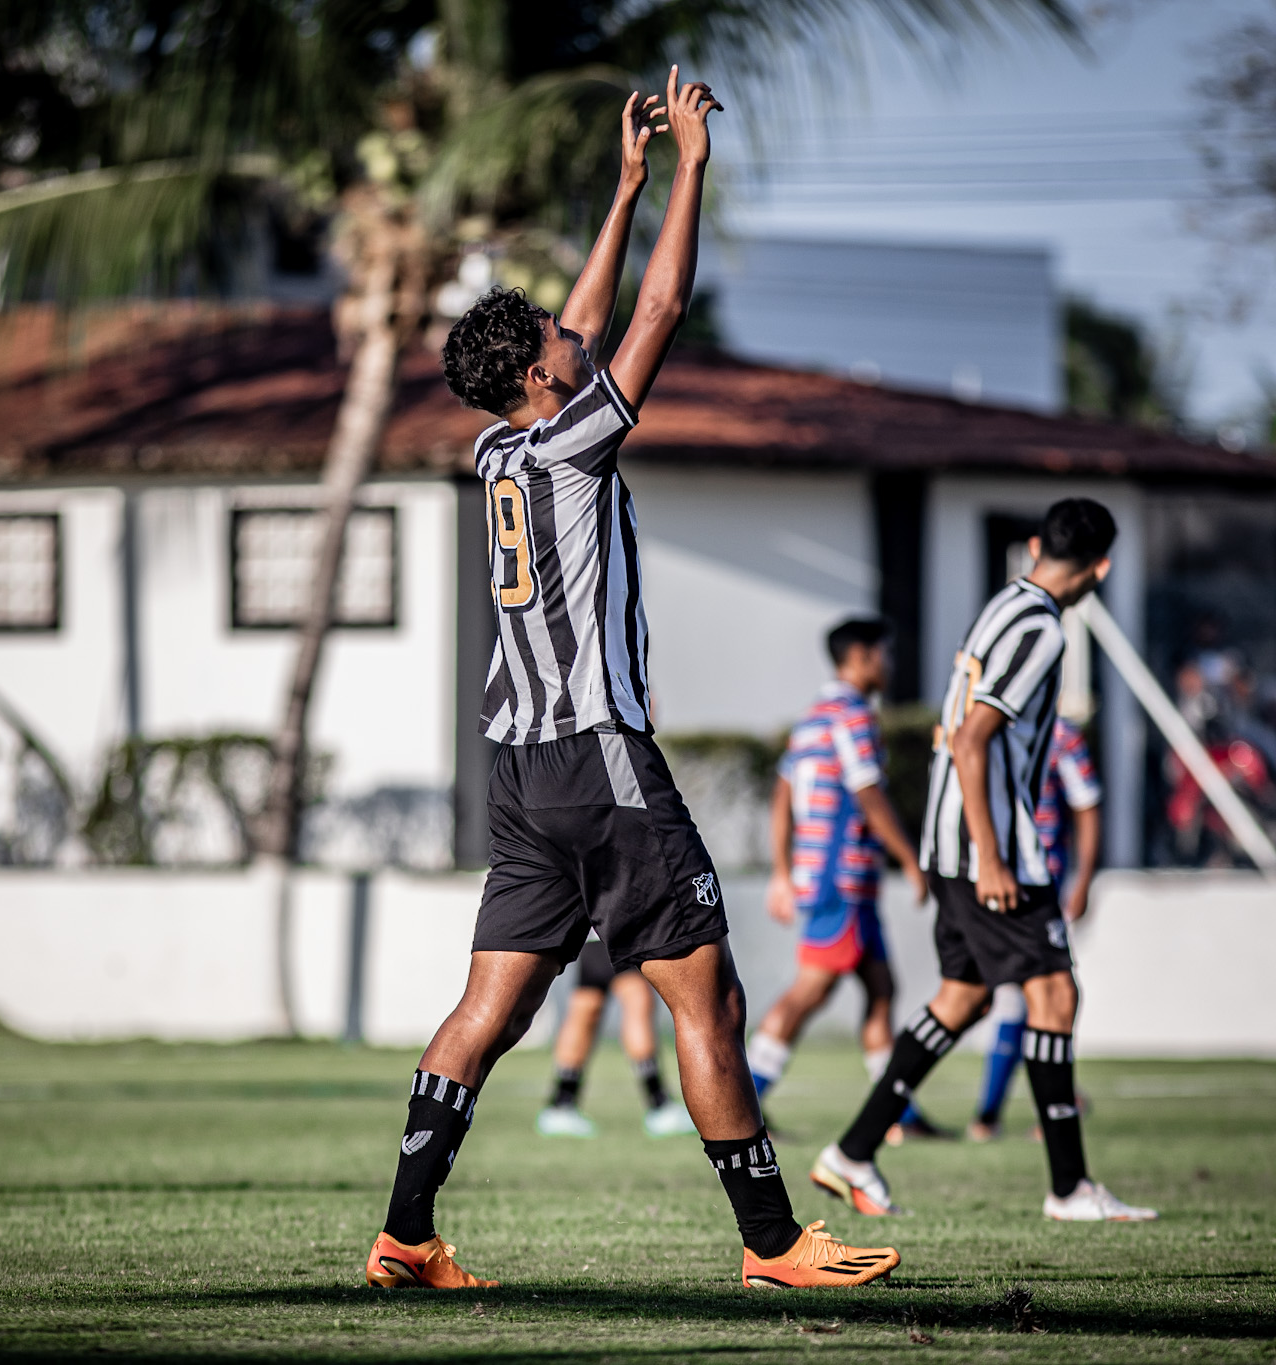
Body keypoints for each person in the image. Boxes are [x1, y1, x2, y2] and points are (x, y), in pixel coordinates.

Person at [364, 71, 900, 1292]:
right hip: (603, 756)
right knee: (704, 1003)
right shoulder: (569, 440)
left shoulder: (504, 445)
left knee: (484, 1011)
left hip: (519, 771)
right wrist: (697, 170)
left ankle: (404, 1233)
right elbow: (655, 308)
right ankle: (774, 1249)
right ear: (545, 380)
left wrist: (623, 184)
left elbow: (591, 324)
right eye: (558, 341)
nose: (573, 333)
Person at [807, 497, 1157, 1223]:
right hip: (986, 849)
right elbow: (972, 740)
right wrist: (993, 857)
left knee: (960, 999)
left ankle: (853, 1150)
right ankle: (1069, 1187)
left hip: (949, 844)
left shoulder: (1001, 607)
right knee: (1054, 995)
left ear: (1034, 545)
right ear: (1102, 567)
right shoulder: (1041, 630)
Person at [747, 618, 949, 1142]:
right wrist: (910, 857)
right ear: (859, 656)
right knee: (811, 991)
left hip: (832, 878)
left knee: (881, 987)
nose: (890, 664)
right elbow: (868, 793)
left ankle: (896, 1115)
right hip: (841, 880)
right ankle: (741, 1101)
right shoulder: (853, 715)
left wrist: (783, 872)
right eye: (885, 653)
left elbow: (782, 797)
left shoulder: (813, 717)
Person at [968, 715, 1101, 1143]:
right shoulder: (984, 728)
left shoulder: (1054, 733)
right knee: (1036, 995)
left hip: (1030, 883)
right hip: (1010, 883)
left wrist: (1082, 881)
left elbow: (1085, 805)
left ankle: (1002, 1113)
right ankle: (1007, 1114)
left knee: (1028, 996)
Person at [537, 936, 698, 1138]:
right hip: (614, 928)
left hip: (592, 932)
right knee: (636, 997)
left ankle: (562, 1102)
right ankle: (659, 1104)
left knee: (587, 1005)